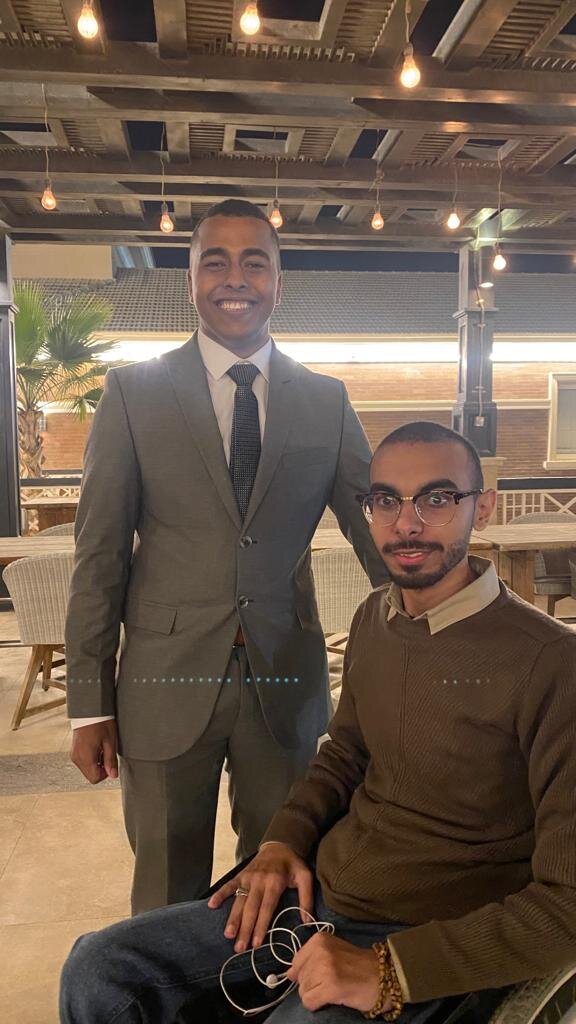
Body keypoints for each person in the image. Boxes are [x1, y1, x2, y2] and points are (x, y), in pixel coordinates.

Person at [60, 420, 576, 1023]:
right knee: (99, 968)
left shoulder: (551, 663)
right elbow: (345, 754)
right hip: (318, 901)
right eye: (386, 500)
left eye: (438, 499)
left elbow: (567, 900)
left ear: (481, 508)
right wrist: (283, 839)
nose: (407, 523)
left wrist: (392, 970)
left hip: (428, 934)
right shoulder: (375, 619)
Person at [65, 199, 388, 914]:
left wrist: (434, 634)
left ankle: (261, 983)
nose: (235, 278)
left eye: (255, 263)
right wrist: (87, 703)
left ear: (278, 282)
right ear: (190, 280)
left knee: (284, 878)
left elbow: (378, 536)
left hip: (286, 680)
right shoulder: (133, 394)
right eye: (215, 261)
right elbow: (100, 553)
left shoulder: (326, 401)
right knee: (165, 887)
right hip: (163, 680)